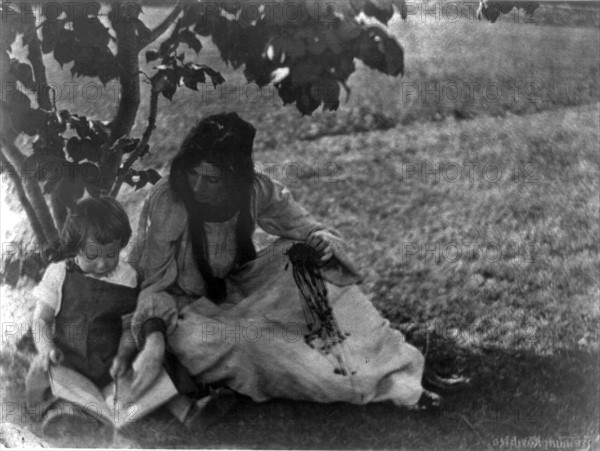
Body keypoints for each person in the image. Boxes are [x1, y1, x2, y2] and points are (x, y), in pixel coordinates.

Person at [128, 112, 442, 415]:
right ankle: (368, 384)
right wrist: (154, 344)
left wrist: (322, 243)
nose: (197, 187)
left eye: (212, 179)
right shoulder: (168, 200)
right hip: (181, 318)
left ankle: (396, 364)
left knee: (305, 260)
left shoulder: (253, 190)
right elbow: (153, 286)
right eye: (192, 174)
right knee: (253, 344)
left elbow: (311, 228)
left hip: (235, 293)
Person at [25, 197, 139, 437]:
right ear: (75, 247)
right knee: (43, 373)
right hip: (67, 358)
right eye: (92, 254)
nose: (102, 263)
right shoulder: (58, 273)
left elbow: (130, 325)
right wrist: (46, 349)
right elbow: (41, 320)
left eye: (111, 254)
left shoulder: (126, 276)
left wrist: (123, 354)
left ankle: (85, 411)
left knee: (137, 381)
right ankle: (64, 410)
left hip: (107, 363)